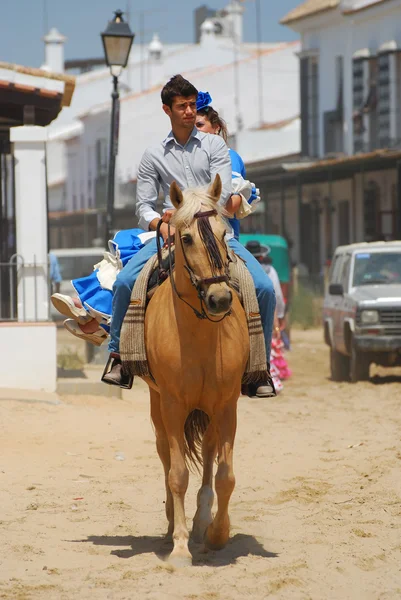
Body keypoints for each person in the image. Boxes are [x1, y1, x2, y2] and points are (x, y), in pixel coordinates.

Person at [53, 75, 276, 397]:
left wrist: (186, 214)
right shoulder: (153, 155)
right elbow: (144, 206)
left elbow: (222, 191)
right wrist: (163, 225)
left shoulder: (215, 146)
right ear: (166, 110)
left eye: (191, 105)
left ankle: (259, 370)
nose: (189, 111)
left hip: (215, 236)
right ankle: (119, 357)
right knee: (127, 281)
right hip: (170, 236)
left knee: (265, 287)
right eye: (182, 106)